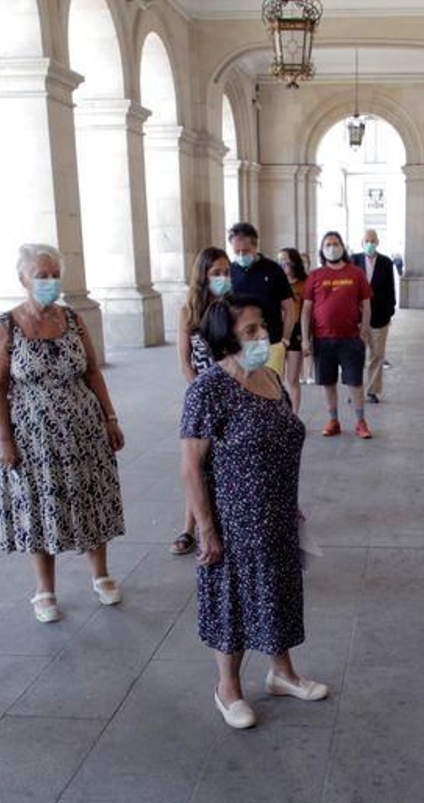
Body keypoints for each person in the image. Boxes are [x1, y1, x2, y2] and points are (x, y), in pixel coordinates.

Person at [180, 296, 329, 730]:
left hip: (278, 512)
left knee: (278, 591)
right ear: (227, 340)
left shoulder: (270, 376)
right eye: (249, 331)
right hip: (234, 518)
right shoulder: (208, 389)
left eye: (261, 326)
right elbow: (190, 468)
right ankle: (228, 688)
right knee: (234, 601)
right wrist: (206, 529)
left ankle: (282, 673)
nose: (262, 336)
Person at [0, 243, 126, 623]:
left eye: (54, 275)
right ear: (23, 279)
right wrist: (4, 439)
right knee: (39, 504)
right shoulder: (6, 326)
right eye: (40, 275)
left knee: (91, 496)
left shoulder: (72, 319)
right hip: (33, 434)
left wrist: (110, 417)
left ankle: (101, 575)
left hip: (84, 428)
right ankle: (44, 590)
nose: (49, 282)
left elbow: (93, 370)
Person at [169, 247, 234, 557]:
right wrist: (200, 392)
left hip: (232, 393)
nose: (223, 278)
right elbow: (184, 361)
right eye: (216, 272)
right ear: (203, 275)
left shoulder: (233, 307)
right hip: (202, 395)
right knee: (195, 465)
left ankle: (223, 521)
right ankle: (189, 528)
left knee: (220, 464)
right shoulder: (188, 312)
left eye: (226, 271)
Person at [303, 231, 374, 439]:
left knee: (355, 382)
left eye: (335, 243)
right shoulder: (315, 276)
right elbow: (306, 310)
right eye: (328, 244)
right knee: (328, 382)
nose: (332, 247)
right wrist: (306, 339)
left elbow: (366, 305)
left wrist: (364, 332)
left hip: (351, 338)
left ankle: (360, 422)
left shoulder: (356, 273)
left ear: (342, 247)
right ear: (322, 249)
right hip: (323, 339)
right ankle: (333, 420)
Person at [227, 222, 296, 366]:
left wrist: (285, 340)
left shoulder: (273, 269)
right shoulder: (230, 272)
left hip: (271, 343)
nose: (241, 255)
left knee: (270, 386)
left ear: (255, 246)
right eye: (236, 252)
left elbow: (289, 308)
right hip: (239, 345)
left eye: (245, 251)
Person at [351, 228, 397, 403]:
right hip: (357, 317)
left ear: (377, 242)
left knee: (377, 355)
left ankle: (373, 390)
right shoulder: (354, 260)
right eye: (367, 241)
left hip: (380, 317)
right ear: (362, 243)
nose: (370, 244)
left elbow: (391, 289)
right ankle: (354, 389)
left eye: (373, 241)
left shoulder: (386, 262)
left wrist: (390, 311)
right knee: (355, 355)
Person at [277, 247, 310, 412]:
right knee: (275, 378)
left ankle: (294, 416)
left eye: (285, 261)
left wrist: (307, 338)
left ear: (294, 262)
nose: (282, 265)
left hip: (296, 331)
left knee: (292, 378)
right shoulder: (276, 281)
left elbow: (308, 313)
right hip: (277, 331)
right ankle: (279, 414)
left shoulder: (304, 283)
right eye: (279, 261)